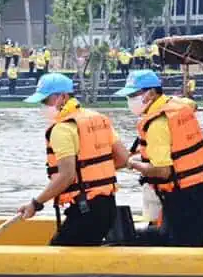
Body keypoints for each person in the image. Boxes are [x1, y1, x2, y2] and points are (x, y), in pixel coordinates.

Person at [18, 73, 130, 246]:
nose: (43, 107)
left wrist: (36, 203)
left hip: (86, 209)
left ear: (62, 97)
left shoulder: (62, 129)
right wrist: (92, 174)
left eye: (46, 101)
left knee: (57, 254)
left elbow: (67, 176)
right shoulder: (98, 118)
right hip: (108, 207)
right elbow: (123, 159)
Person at [117, 69, 203, 247]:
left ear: (152, 93)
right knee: (196, 239)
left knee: (181, 245)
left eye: (134, 95)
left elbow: (163, 171)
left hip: (183, 194)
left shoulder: (157, 124)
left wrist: (131, 163)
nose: (130, 100)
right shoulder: (178, 106)